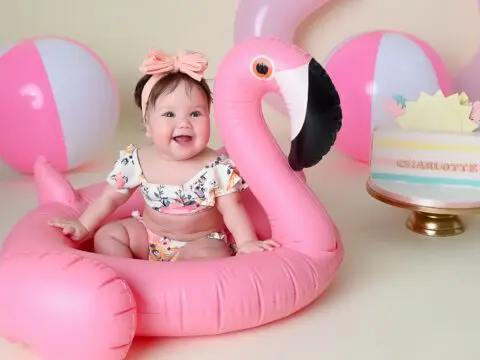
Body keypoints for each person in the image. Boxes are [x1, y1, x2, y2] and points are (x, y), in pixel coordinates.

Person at [48, 49, 279, 261]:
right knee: (109, 235)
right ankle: (131, 273)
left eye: (196, 113)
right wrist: (83, 225)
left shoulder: (216, 167)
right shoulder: (138, 161)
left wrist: (247, 242)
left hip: (198, 242)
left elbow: (232, 209)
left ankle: (174, 283)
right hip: (149, 236)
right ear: (147, 125)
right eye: (169, 114)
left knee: (212, 254)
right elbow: (109, 198)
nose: (184, 123)